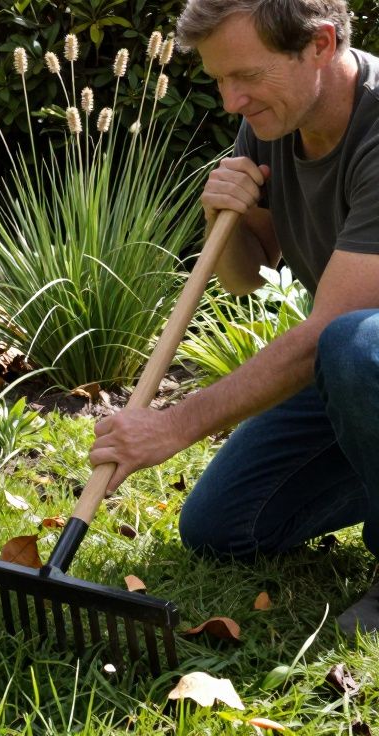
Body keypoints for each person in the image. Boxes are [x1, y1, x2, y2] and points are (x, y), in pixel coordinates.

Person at [87, 0, 379, 636]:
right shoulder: (276, 118)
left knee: (355, 343)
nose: (230, 100)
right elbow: (249, 276)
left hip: (365, 356)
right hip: (363, 382)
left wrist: (171, 428)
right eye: (220, 79)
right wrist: (230, 215)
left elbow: (332, 332)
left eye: (246, 75)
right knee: (224, 526)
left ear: (321, 45)